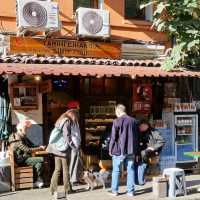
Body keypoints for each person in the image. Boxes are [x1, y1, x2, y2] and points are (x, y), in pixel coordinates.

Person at [47, 109, 81, 199]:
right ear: (72, 114)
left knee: (57, 169)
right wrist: (73, 146)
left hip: (55, 147)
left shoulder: (60, 119)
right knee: (66, 170)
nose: (75, 119)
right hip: (62, 148)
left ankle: (52, 189)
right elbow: (67, 135)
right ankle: (68, 189)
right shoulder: (67, 121)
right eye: (75, 116)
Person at [109, 104, 139, 196]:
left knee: (116, 170)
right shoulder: (134, 121)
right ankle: (130, 191)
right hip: (131, 149)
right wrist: (136, 150)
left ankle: (114, 191)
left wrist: (110, 149)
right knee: (130, 169)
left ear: (118, 111)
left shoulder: (116, 121)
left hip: (118, 150)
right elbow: (137, 137)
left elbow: (113, 137)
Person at [8, 120, 45, 188]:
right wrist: (40, 148)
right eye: (25, 129)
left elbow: (29, 146)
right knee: (41, 159)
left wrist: (38, 147)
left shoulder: (20, 136)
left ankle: (36, 181)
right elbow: (27, 149)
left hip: (23, 158)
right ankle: (37, 180)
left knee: (39, 164)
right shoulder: (17, 139)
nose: (27, 131)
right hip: (20, 160)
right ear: (20, 130)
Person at [135, 119, 165, 185]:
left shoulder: (154, 132)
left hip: (151, 151)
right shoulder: (139, 132)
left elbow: (162, 141)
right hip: (141, 151)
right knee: (135, 159)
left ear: (146, 125)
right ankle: (138, 180)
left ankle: (140, 181)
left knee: (142, 160)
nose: (140, 128)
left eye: (141, 126)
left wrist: (153, 147)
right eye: (139, 127)